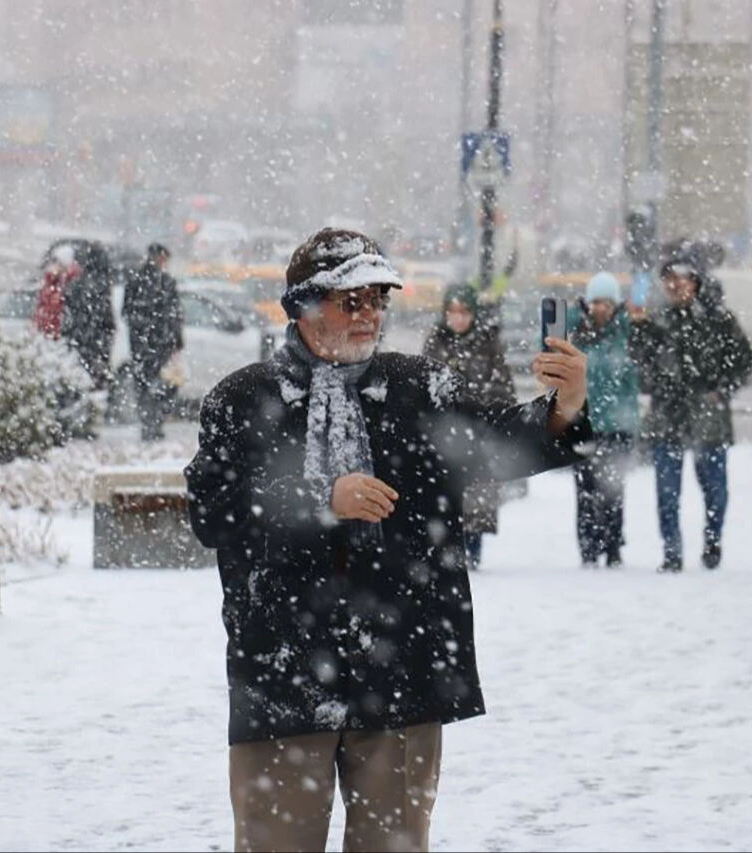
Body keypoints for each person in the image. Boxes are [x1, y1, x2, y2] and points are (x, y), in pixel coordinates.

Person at [184, 227, 591, 853]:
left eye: (378, 299)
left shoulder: (418, 388)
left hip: (402, 666)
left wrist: (563, 407)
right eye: (353, 301)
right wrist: (322, 500)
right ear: (304, 306)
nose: (370, 314)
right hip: (282, 670)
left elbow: (499, 444)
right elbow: (213, 513)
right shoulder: (242, 400)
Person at [629, 240, 752, 572]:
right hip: (667, 414)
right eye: (668, 278)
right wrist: (639, 334)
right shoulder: (657, 322)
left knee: (715, 489)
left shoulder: (718, 320)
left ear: (695, 282)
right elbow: (641, 368)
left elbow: (743, 360)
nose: (674, 285)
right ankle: (672, 552)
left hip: (708, 417)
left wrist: (722, 391)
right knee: (667, 492)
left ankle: (712, 541)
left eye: (681, 278)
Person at [421, 282, 516, 569]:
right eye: (452, 311)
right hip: (443, 432)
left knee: (476, 495)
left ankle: (471, 552)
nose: (458, 318)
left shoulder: (489, 344)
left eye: (464, 311)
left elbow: (503, 387)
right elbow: (422, 383)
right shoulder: (435, 341)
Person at [568, 272, 641, 568]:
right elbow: (549, 345)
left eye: (607, 303)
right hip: (582, 424)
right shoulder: (576, 332)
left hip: (617, 425)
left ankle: (612, 545)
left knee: (613, 491)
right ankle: (588, 548)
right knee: (585, 492)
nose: (601, 309)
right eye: (596, 302)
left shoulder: (626, 332)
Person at [121, 242, 184, 441]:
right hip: (157, 344)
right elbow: (174, 315)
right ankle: (153, 423)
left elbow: (127, 312)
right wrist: (174, 338)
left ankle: (149, 423)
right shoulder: (161, 282)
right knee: (158, 385)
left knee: (147, 385)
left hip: (144, 345)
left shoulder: (139, 280)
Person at [61, 241, 116, 388]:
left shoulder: (76, 284)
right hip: (95, 344)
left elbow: (67, 317)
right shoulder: (103, 285)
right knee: (97, 387)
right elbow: (106, 319)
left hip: (78, 343)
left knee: (77, 383)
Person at [33, 244, 80, 341]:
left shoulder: (71, 283)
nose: (55, 265)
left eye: (58, 262)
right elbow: (42, 306)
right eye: (54, 262)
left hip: (60, 334)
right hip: (47, 332)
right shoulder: (51, 283)